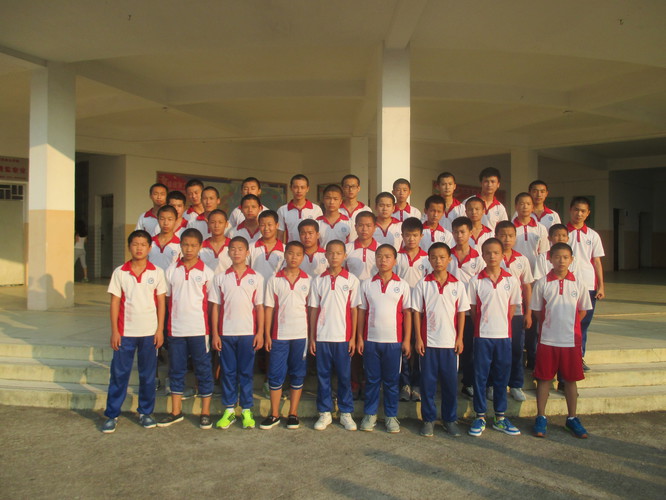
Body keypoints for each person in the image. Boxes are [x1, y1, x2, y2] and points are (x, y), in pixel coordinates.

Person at [101, 230, 166, 433]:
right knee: (119, 374)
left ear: (149, 248)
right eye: (135, 244)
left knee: (147, 376)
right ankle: (112, 414)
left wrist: (160, 330)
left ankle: (146, 412)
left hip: (149, 333)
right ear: (129, 246)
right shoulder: (120, 272)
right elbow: (115, 302)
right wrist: (115, 331)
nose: (139, 248)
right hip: (125, 333)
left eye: (143, 244)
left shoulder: (157, 272)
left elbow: (161, 303)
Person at [530, 242, 593, 439]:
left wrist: (569, 326)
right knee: (544, 379)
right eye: (557, 257)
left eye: (566, 257)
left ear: (572, 260)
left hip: (570, 341)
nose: (561, 261)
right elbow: (537, 311)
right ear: (550, 258)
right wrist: (550, 325)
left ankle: (572, 418)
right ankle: (541, 416)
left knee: (571, 381)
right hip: (548, 340)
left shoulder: (578, 283)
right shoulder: (542, 283)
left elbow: (582, 310)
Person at [157, 228, 215, 429]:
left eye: (193, 245)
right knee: (176, 369)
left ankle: (205, 412)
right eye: (185, 245)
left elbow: (211, 304)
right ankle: (175, 412)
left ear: (200, 247)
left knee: (203, 369)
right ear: (180, 246)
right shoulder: (171, 270)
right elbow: (166, 299)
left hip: (199, 330)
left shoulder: (207, 272)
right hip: (176, 330)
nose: (189, 249)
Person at [412, 243, 470, 437]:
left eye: (442, 257)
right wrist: (418, 339)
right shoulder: (423, 284)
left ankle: (450, 419)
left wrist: (460, 338)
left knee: (450, 385)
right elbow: (417, 313)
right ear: (429, 259)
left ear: (449, 259)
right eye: (434, 257)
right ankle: (428, 420)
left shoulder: (457, 285)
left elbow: (461, 313)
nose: (438, 261)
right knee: (428, 385)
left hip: (450, 344)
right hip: (428, 344)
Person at [467, 238, 522, 437]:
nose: (492, 256)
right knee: (480, 377)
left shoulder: (511, 281)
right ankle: (480, 415)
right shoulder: (475, 281)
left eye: (496, 253)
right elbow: (473, 310)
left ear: (502, 255)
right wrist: (485, 327)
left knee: (501, 377)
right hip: (482, 336)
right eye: (488, 253)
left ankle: (500, 417)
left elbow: (512, 309)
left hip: (504, 337)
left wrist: (501, 327)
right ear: (482, 255)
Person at [209, 236, 265, 430]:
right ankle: (229, 409)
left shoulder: (257, 277)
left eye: (240, 249)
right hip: (226, 333)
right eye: (233, 249)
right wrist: (215, 334)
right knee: (228, 372)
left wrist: (260, 333)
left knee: (246, 372)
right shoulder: (220, 278)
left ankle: (247, 409)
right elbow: (215, 307)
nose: (236, 252)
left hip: (248, 333)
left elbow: (259, 307)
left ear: (247, 252)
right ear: (228, 252)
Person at [357, 244, 412, 433]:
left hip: (394, 342)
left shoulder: (402, 285)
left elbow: (407, 314)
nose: (383, 260)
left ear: (395, 261)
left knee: (391, 381)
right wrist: (359, 337)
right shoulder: (367, 284)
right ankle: (370, 414)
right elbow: (362, 312)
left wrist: (406, 340)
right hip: (371, 340)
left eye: (388, 257)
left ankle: (391, 416)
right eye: (379, 256)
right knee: (372, 380)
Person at [308, 240, 360, 431]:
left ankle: (346, 412)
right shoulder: (318, 280)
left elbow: (354, 310)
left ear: (344, 255)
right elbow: (314, 310)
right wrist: (312, 337)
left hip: (343, 337)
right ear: (326, 255)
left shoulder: (351, 280)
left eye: (338, 253)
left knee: (344, 376)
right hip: (322, 337)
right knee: (323, 376)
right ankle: (324, 412)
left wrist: (353, 337)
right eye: (331, 253)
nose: (334, 256)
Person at [260, 241, 311, 430]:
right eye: (290, 253)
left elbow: (311, 310)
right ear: (285, 255)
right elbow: (269, 308)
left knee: (298, 373)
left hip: (301, 335)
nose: (293, 257)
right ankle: (274, 414)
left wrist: (311, 337)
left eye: (298, 254)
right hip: (279, 334)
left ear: (303, 257)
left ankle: (293, 413)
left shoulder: (308, 280)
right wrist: (267, 334)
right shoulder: (274, 280)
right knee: (276, 373)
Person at [495, 220, 534, 402]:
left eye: (510, 235)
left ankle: (516, 384)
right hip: (496, 312)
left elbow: (526, 287)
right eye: (503, 235)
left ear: (515, 237)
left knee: (516, 349)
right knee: (496, 350)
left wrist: (528, 312)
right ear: (496, 236)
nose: (507, 239)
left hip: (517, 312)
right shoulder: (490, 257)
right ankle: (495, 384)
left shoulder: (522, 260)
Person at [447, 216, 485, 399]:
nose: (459, 235)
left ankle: (467, 383)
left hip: (469, 311)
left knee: (468, 348)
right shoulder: (446, 255)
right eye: (456, 232)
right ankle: (447, 382)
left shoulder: (478, 258)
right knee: (448, 346)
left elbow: (482, 284)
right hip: (448, 310)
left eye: (463, 232)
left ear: (470, 233)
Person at [395, 217, 431, 403]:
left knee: (419, 347)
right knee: (404, 347)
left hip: (421, 311)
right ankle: (405, 383)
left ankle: (417, 384)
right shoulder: (397, 257)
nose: (411, 239)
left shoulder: (427, 258)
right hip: (401, 311)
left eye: (415, 235)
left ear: (421, 236)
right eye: (407, 235)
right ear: (402, 236)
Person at [567, 197, 605, 370]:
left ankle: (579, 357)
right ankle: (565, 357)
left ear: (588, 213)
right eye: (576, 209)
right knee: (566, 321)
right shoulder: (563, 233)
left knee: (584, 322)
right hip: (567, 284)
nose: (579, 214)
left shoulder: (593, 235)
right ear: (570, 210)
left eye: (583, 211)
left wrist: (601, 286)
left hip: (588, 286)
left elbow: (597, 261)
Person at [277, 174, 323, 243]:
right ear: (291, 188)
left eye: (302, 187)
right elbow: (280, 235)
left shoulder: (316, 209)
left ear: (307, 189)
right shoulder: (282, 210)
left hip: (310, 248)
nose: (299, 191)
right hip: (291, 248)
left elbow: (319, 234)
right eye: (296, 187)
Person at [512, 192, 549, 273]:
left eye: (528, 204)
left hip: (535, 269)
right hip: (514, 269)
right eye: (522, 204)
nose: (525, 207)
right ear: (516, 207)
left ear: (533, 207)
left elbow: (544, 252)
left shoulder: (541, 228)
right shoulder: (509, 228)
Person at [250, 210, 285, 286]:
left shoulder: (285, 250)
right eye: (262, 225)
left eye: (269, 225)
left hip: (275, 290)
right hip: (255, 289)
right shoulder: (250, 248)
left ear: (277, 225)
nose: (266, 228)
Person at [345, 211, 378, 281]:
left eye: (368, 226)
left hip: (375, 287)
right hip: (352, 287)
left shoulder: (381, 250)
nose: (364, 229)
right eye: (360, 225)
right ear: (355, 227)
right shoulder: (346, 249)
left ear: (375, 227)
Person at [148, 205, 181, 272]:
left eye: (170, 219)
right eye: (162, 219)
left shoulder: (180, 244)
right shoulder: (149, 242)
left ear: (175, 220)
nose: (166, 223)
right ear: (157, 220)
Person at [340, 174, 371, 241]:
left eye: (353, 186)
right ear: (342, 188)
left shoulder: (365, 209)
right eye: (347, 186)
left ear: (358, 188)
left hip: (359, 246)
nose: (350, 189)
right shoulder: (337, 209)